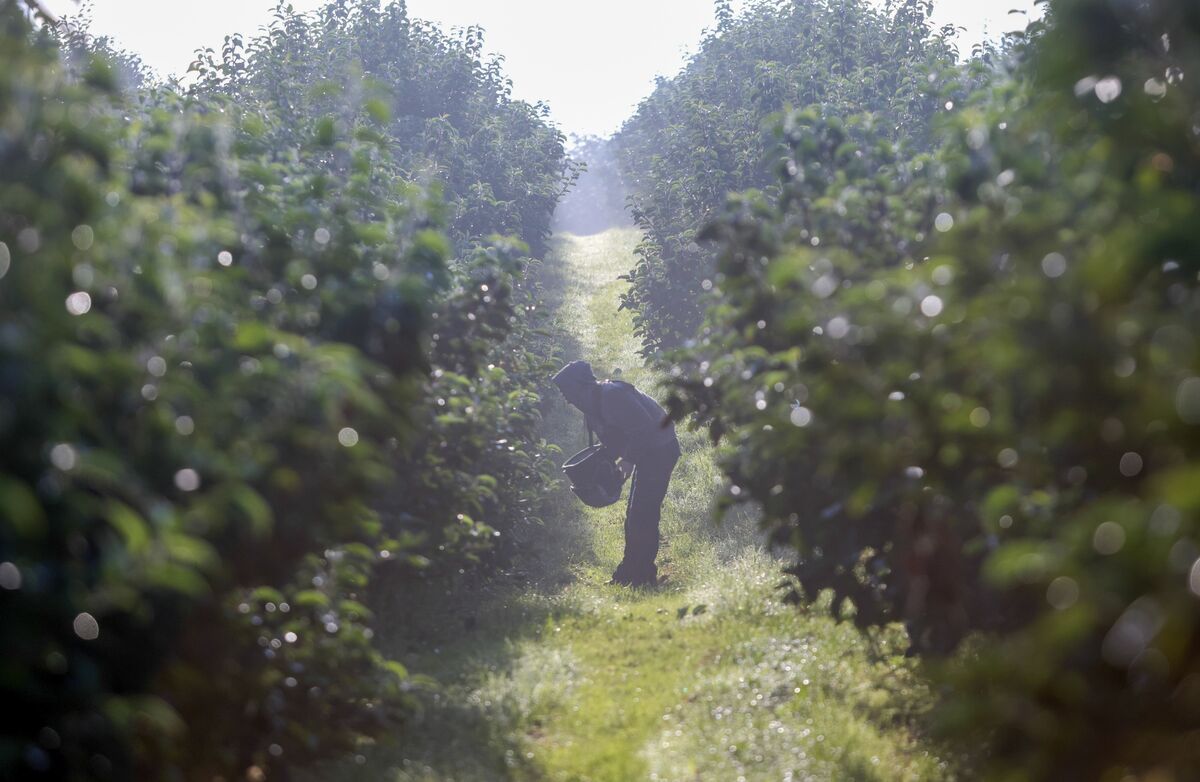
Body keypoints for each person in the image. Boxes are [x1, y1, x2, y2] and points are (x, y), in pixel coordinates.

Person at [552, 360, 681, 587]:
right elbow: (613, 441)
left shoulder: (612, 396)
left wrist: (629, 460)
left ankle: (641, 578)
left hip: (660, 449)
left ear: (580, 385)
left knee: (643, 515)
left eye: (566, 390)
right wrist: (601, 470)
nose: (566, 398)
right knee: (635, 516)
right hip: (645, 451)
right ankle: (629, 574)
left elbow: (643, 428)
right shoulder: (591, 407)